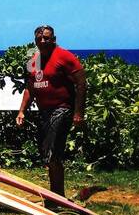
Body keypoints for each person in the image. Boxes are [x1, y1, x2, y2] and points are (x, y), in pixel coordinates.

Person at [15, 25, 86, 202]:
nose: (43, 41)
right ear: (35, 41)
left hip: (62, 108)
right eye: (39, 38)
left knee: (53, 152)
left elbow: (81, 83)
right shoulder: (34, 60)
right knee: (47, 153)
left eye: (47, 38)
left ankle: (57, 197)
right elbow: (30, 89)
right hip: (44, 112)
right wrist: (22, 111)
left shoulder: (64, 56)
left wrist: (78, 113)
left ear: (53, 39)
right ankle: (56, 194)